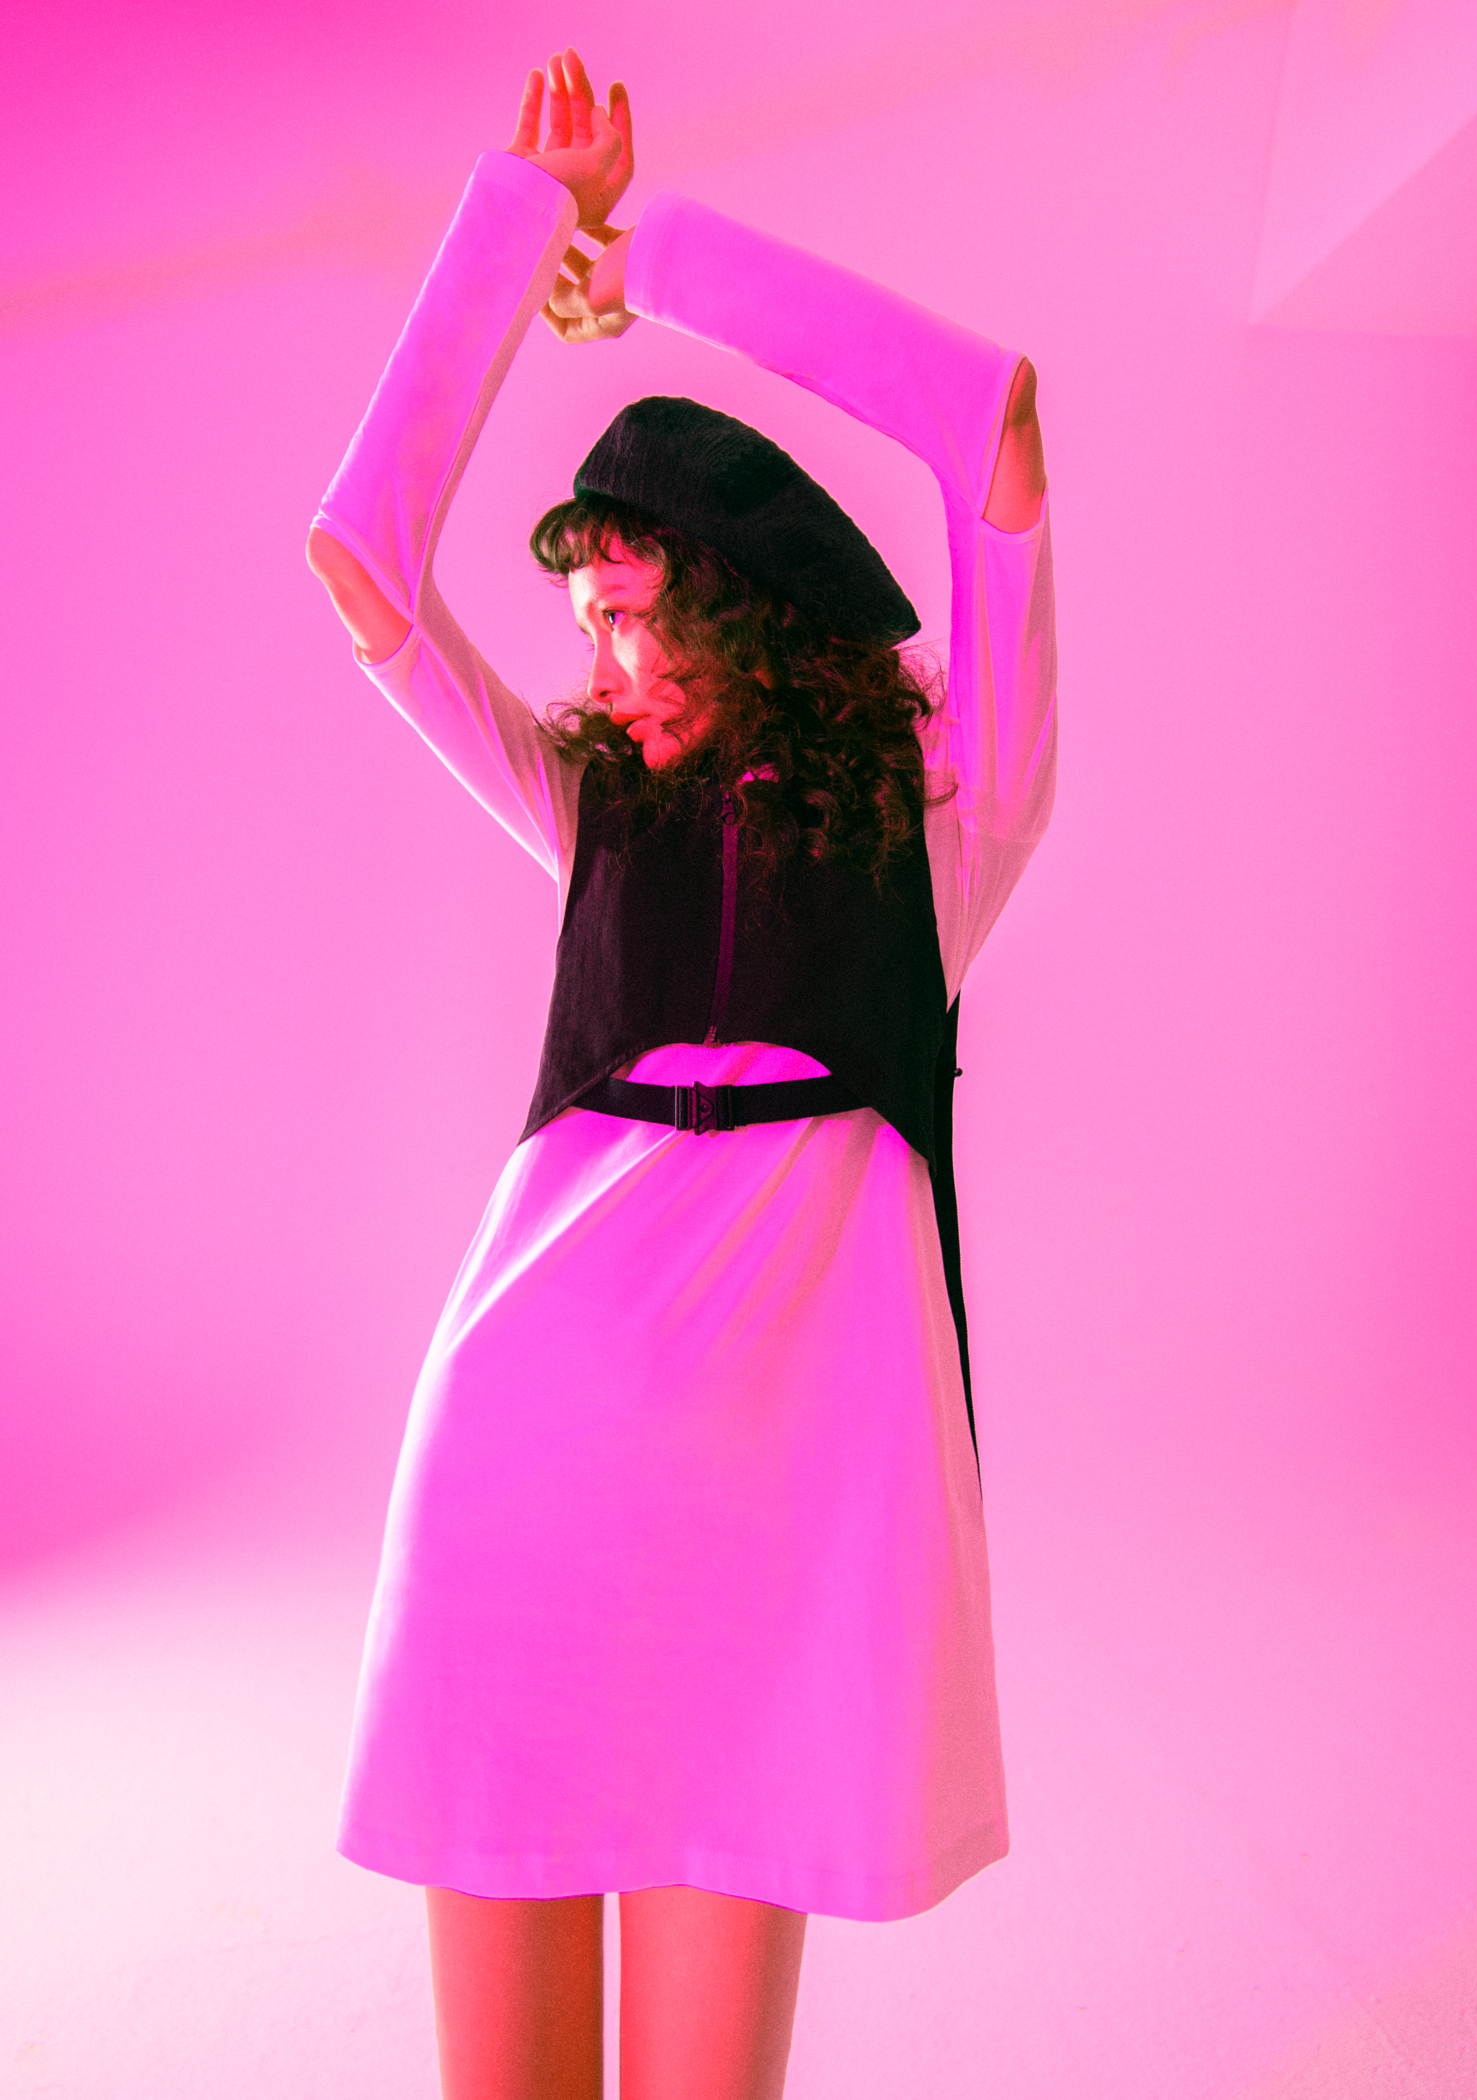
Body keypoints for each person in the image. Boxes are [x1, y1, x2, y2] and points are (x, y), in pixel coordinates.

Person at [307, 47, 1055, 2100]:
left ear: (749, 610)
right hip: (516, 1475)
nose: (594, 658)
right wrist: (517, 235)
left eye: (628, 610)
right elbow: (362, 559)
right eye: (576, 614)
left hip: (770, 1546)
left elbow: (993, 424)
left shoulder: (943, 811)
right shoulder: (586, 813)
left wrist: (660, 267)